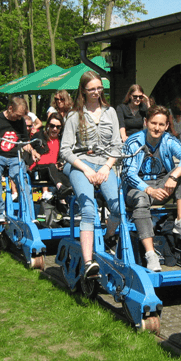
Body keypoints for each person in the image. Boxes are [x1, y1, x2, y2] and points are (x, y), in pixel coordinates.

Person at [122, 104, 181, 272]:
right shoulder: (133, 142)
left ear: (166, 126)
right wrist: (149, 190)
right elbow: (128, 174)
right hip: (138, 188)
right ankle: (151, 255)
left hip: (162, 187)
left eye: (161, 125)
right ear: (145, 122)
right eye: (153, 123)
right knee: (141, 200)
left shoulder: (168, 140)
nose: (156, 128)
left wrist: (173, 176)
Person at [60, 71, 122, 277]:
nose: (96, 92)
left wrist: (106, 168)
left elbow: (117, 146)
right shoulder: (73, 115)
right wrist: (86, 169)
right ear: (83, 91)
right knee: (88, 209)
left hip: (104, 164)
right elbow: (65, 150)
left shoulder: (110, 112)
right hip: (81, 164)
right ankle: (89, 263)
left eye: (99, 88)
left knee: (117, 206)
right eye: (91, 89)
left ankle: (109, 237)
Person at [0, 96, 40, 224]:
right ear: (10, 108)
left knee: (22, 180)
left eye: (21, 116)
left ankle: (29, 216)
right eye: (17, 115)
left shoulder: (21, 121)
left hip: (14, 157)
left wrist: (33, 151)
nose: (19, 119)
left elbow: (24, 142)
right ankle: (0, 210)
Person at [26, 112, 71, 201]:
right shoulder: (40, 136)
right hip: (38, 169)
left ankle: (67, 202)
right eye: (52, 126)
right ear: (48, 125)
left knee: (69, 176)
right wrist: (33, 151)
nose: (54, 129)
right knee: (51, 166)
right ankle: (60, 188)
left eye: (58, 127)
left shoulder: (61, 140)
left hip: (53, 171)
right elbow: (27, 145)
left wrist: (60, 162)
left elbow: (63, 155)